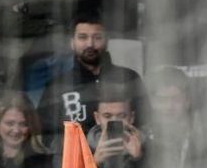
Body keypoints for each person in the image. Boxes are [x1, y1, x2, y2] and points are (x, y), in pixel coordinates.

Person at [36, 11, 149, 142]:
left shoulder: (129, 78)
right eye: (82, 37)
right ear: (72, 42)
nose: (90, 44)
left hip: (122, 153)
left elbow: (146, 124)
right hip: (76, 155)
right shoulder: (57, 86)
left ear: (107, 41)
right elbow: (46, 135)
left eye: (97, 37)